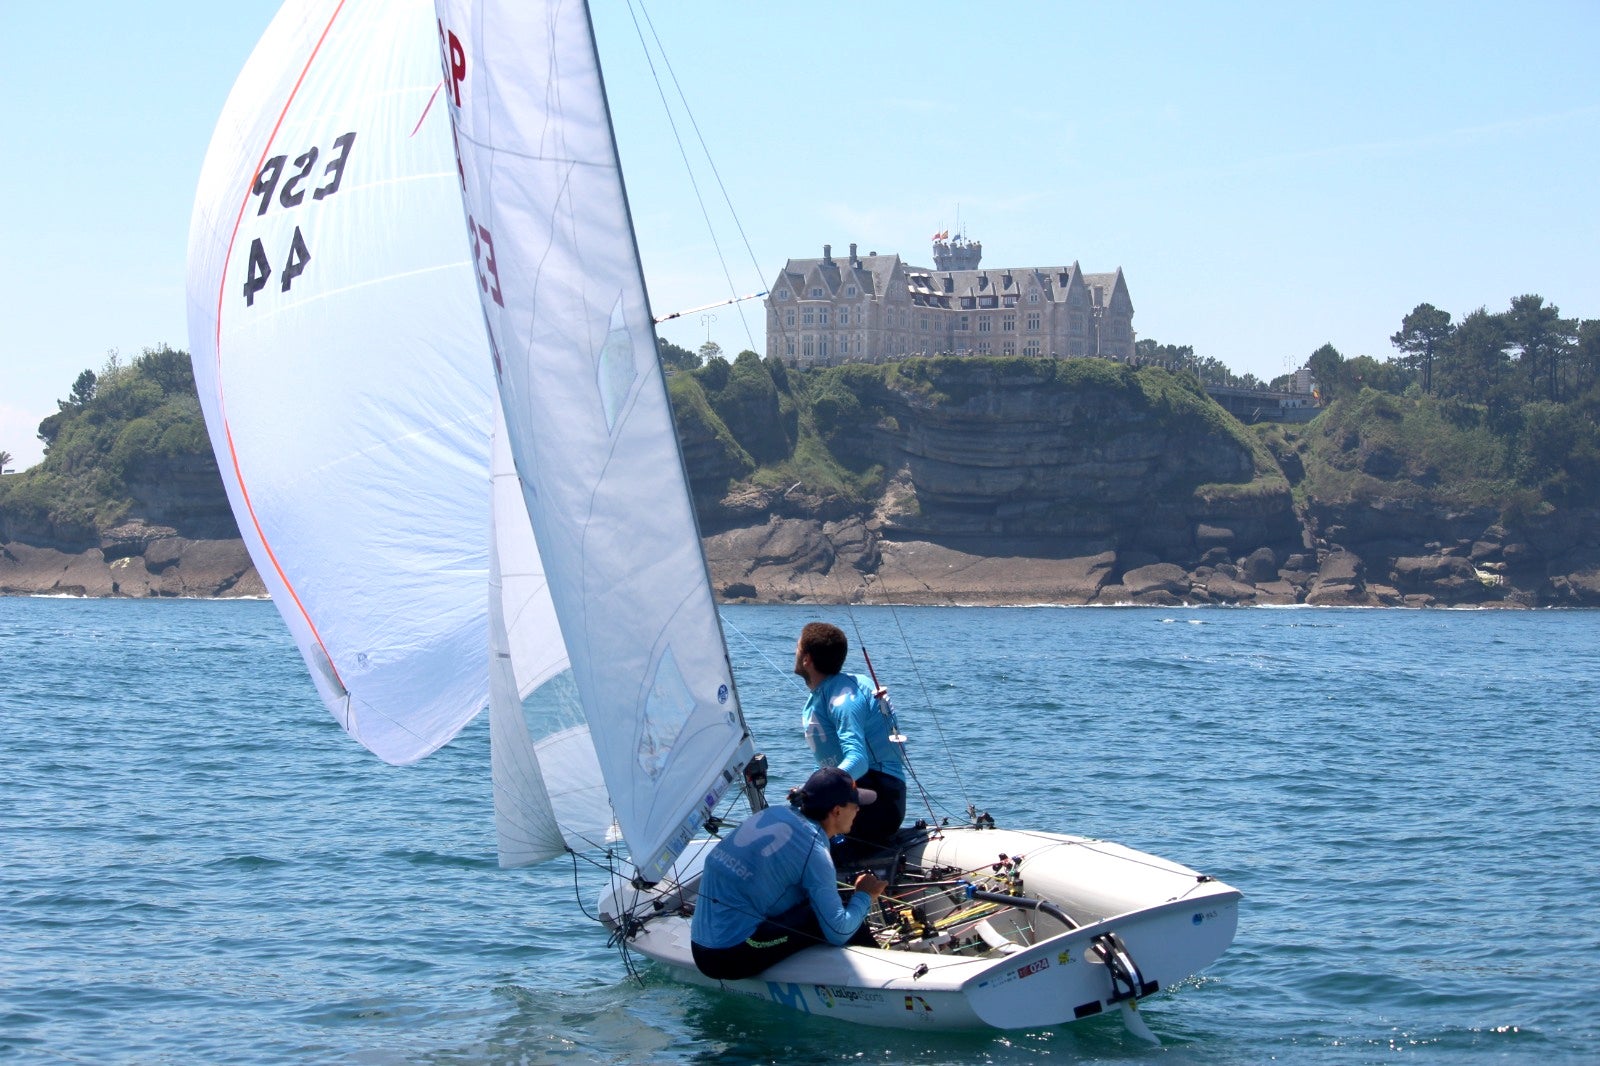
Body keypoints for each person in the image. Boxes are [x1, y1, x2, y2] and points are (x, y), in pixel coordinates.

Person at [690, 767, 889, 980]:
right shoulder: (815, 851)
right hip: (728, 957)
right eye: (855, 804)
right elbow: (838, 932)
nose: (859, 810)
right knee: (822, 917)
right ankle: (886, 974)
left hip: (699, 945)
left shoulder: (773, 813)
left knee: (817, 901)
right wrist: (864, 896)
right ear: (837, 811)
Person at [794, 622, 907, 856]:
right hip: (850, 793)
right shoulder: (825, 693)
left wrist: (813, 792)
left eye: (797, 648)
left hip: (878, 796)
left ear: (806, 659)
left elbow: (858, 760)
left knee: (801, 852)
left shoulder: (845, 698)